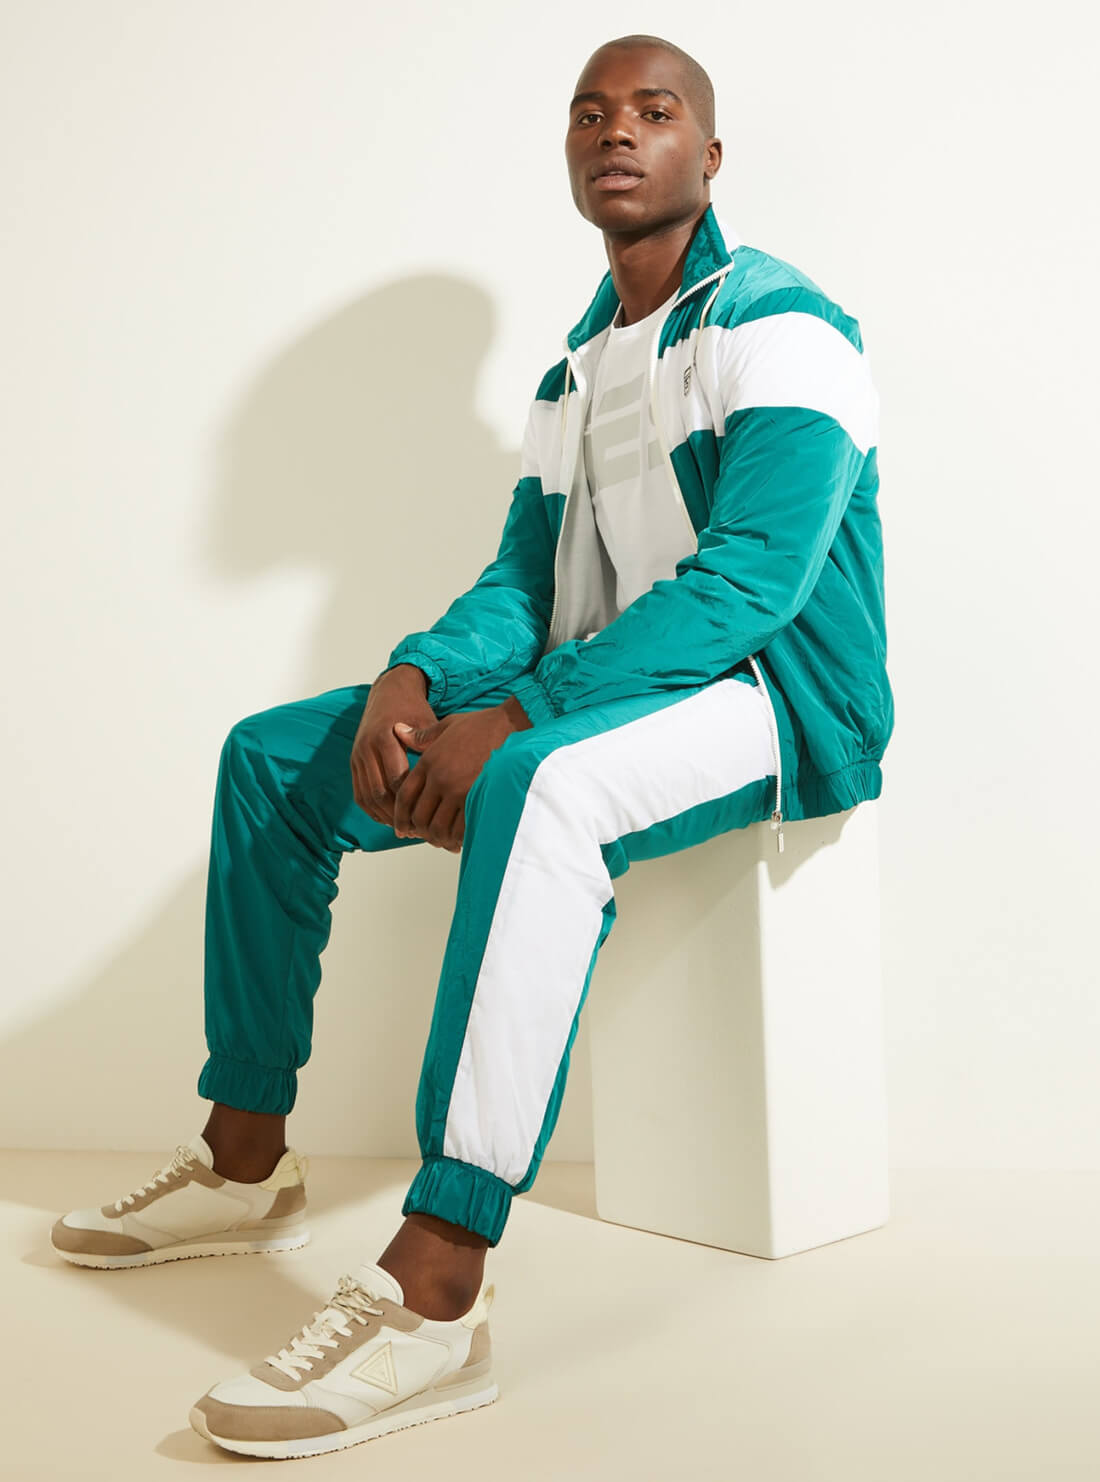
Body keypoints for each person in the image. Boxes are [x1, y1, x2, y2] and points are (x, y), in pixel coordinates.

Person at [50, 32, 893, 1461]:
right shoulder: (576, 372)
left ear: (708, 155)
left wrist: (524, 713)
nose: (616, 131)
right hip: (603, 684)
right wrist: (419, 673)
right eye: (590, 113)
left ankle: (437, 1287)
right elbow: (521, 584)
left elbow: (753, 579)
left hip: (774, 694)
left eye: (654, 111)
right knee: (272, 759)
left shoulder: (787, 326)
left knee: (534, 784)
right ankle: (244, 1158)